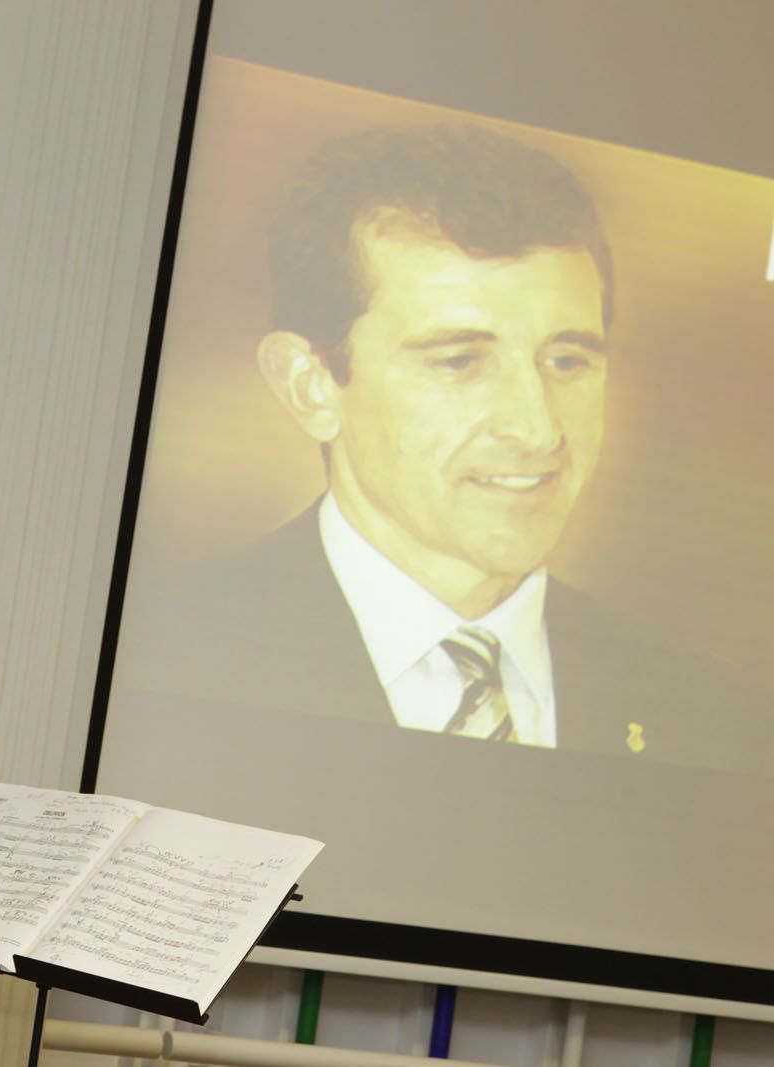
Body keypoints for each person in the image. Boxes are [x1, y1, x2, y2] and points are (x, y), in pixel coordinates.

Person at [148, 125, 765, 770]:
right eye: (460, 361)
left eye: (566, 360)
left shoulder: (715, 718)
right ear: (312, 387)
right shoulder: (167, 656)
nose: (537, 429)